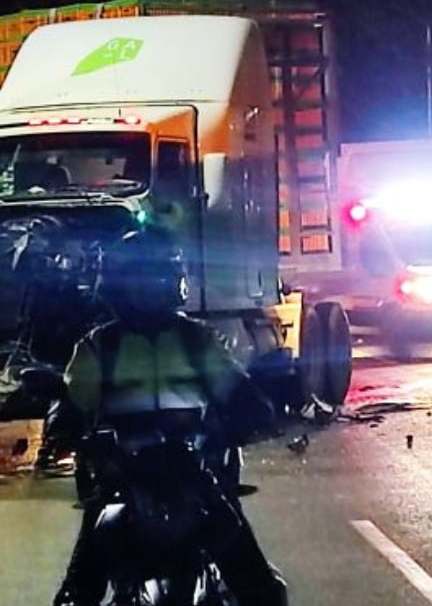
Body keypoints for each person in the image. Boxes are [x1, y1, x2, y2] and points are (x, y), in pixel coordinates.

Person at [54, 227, 287, 606]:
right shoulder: (100, 345)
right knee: (78, 592)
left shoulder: (197, 340)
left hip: (193, 471)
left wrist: (255, 410)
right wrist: (62, 426)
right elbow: (71, 398)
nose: (147, 288)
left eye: (157, 277)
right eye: (138, 280)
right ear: (117, 285)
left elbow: (235, 387)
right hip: (123, 477)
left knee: (261, 588)